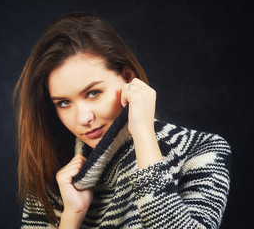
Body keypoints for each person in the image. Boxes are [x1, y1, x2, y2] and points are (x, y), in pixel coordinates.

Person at [13, 12, 231, 228]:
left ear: (128, 78)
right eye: (64, 103)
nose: (83, 118)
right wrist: (72, 215)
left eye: (93, 93)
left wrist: (143, 133)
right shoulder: (54, 172)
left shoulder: (200, 149)